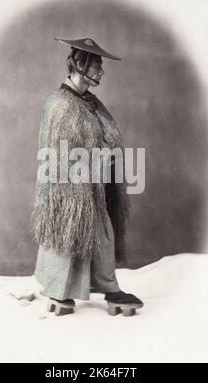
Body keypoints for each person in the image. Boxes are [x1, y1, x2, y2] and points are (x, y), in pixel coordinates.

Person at [31, 37, 143, 316]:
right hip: (68, 191)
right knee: (66, 235)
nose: (101, 72)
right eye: (96, 66)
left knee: (102, 232)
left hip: (94, 186)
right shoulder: (59, 104)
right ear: (80, 64)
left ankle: (109, 287)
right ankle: (58, 292)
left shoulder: (90, 102)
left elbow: (106, 137)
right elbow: (59, 154)